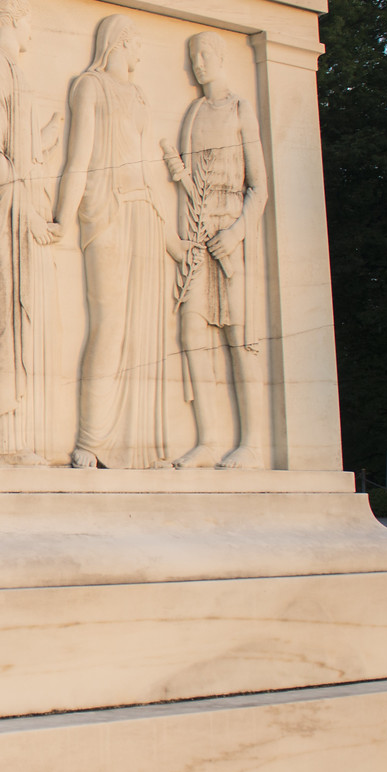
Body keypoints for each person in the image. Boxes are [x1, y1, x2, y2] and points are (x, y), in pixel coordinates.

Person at [47, 13, 176, 469]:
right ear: (121, 41)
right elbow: (78, 158)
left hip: (144, 214)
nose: (141, 52)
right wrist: (63, 217)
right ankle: (90, 440)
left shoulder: (138, 94)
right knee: (110, 325)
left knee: (145, 330)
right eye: (137, 42)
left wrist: (171, 235)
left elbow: (147, 166)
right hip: (107, 213)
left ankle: (138, 445)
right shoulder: (90, 86)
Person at [162, 30, 270, 469]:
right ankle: (209, 438)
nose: (197, 64)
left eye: (204, 55)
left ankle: (253, 443)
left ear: (220, 56)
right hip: (198, 232)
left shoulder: (241, 110)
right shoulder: (194, 111)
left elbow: (259, 186)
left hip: (230, 235)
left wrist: (239, 231)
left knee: (239, 338)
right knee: (191, 330)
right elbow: (187, 188)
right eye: (193, 56)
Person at [0, 0, 61, 465]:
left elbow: (15, 150)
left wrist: (46, 138)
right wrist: (22, 196)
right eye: (30, 21)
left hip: (21, 211)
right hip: (4, 214)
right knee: (4, 326)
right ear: (14, 19)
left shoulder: (13, 71)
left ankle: (22, 438)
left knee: (23, 326)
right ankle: (3, 443)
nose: (32, 33)